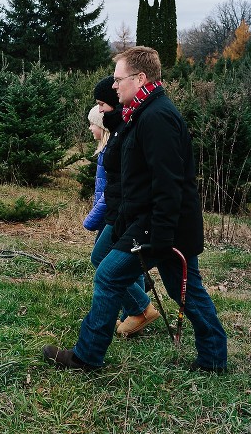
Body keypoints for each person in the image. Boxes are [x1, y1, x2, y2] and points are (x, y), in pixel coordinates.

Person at [43, 46, 228, 372]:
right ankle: (214, 358)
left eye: (118, 79)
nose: (114, 86)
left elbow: (168, 184)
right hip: (160, 225)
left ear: (140, 78)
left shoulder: (157, 118)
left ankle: (87, 356)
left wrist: (157, 235)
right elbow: (127, 143)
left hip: (158, 227)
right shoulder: (143, 112)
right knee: (185, 290)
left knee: (109, 276)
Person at [84, 78, 159, 337]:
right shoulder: (118, 129)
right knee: (126, 265)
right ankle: (133, 314)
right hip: (118, 211)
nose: (101, 110)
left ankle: (140, 308)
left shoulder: (126, 130)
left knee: (100, 260)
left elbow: (123, 181)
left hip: (121, 214)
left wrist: (101, 216)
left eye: (102, 104)